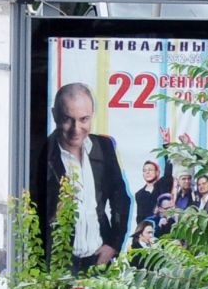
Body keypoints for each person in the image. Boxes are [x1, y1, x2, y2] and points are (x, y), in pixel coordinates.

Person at [31, 82, 130, 271]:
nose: (76, 129)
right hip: (59, 264)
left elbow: (121, 199)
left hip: (98, 261)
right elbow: (32, 211)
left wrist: (114, 244)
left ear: (92, 115)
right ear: (55, 116)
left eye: (84, 119)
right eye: (68, 119)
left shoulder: (104, 147)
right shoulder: (41, 154)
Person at [134, 158, 172, 230]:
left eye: (150, 170)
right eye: (145, 171)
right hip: (148, 231)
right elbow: (139, 217)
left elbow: (168, 174)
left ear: (157, 172)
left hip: (164, 227)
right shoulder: (139, 194)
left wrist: (167, 154)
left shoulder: (162, 184)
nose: (147, 172)